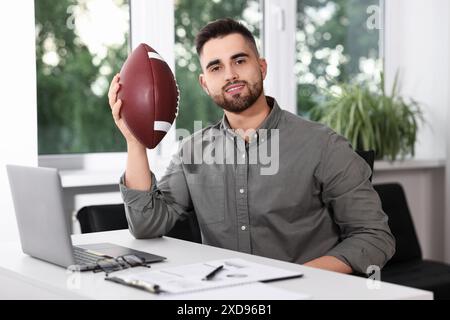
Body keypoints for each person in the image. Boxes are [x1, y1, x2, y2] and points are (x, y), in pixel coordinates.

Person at [108, 18, 395, 275]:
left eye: (240, 61)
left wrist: (300, 280)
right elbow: (146, 226)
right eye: (216, 67)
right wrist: (135, 141)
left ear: (262, 66)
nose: (230, 74)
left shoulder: (323, 145)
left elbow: (373, 236)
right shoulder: (191, 151)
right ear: (205, 83)